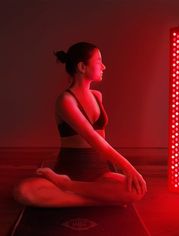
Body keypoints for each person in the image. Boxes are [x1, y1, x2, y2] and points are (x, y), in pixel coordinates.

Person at [13, 42, 147, 207]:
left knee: (136, 191)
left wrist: (125, 172)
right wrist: (129, 168)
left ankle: (69, 188)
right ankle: (99, 199)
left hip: (100, 170)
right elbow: (94, 139)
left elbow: (101, 144)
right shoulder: (66, 101)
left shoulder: (97, 96)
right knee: (24, 191)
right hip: (70, 168)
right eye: (99, 61)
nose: (104, 66)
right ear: (82, 66)